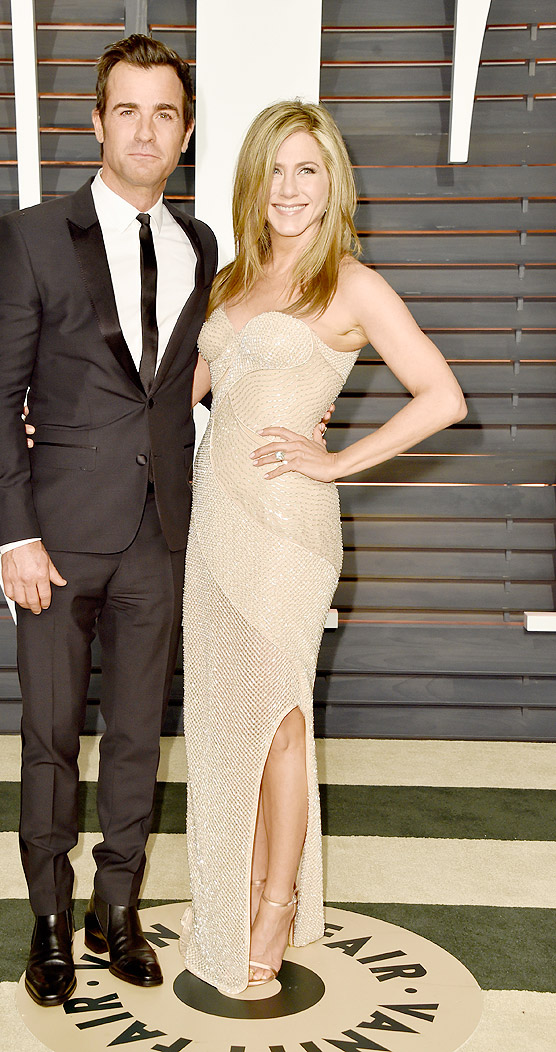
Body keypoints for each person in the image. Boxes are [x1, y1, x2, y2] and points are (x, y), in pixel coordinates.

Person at [180, 100, 467, 995]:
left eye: (308, 169)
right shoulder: (229, 284)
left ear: (332, 182)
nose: (290, 188)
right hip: (213, 527)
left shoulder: (350, 283)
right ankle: (236, 894)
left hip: (286, 535)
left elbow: (441, 395)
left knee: (279, 720)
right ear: (253, 181)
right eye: (275, 168)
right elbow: (169, 395)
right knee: (229, 726)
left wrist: (339, 459)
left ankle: (273, 905)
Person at [0, 35, 218, 1006]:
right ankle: (47, 916)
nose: (146, 129)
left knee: (135, 737)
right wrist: (13, 529)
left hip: (163, 535)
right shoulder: (33, 237)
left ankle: (115, 909)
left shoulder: (200, 246)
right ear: (96, 122)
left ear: (185, 131)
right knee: (48, 734)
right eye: (128, 110)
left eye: (165, 113)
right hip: (57, 538)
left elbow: (188, 380)